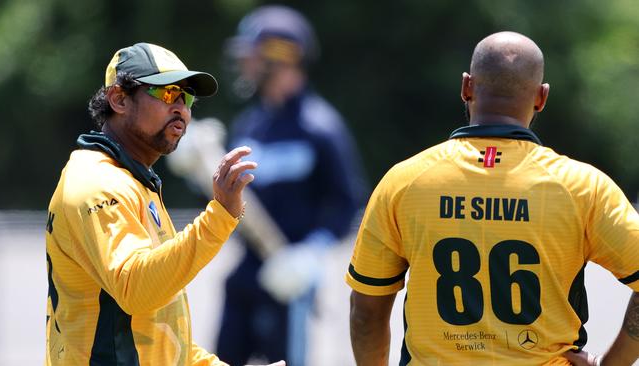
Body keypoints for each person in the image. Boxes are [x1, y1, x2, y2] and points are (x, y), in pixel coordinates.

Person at [346, 31, 639, 365]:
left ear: (466, 87)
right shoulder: (582, 186)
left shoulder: (405, 180)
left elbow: (366, 313)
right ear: (541, 97)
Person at [45, 42, 284, 366]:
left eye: (187, 98)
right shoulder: (96, 183)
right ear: (119, 99)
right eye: (169, 93)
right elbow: (136, 288)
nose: (182, 109)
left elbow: (164, 341)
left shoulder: (135, 182)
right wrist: (220, 216)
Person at [215, 5, 366, 366]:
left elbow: (347, 202)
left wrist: (311, 254)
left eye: (252, 55)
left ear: (281, 58)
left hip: (290, 275)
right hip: (247, 273)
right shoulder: (250, 124)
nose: (245, 64)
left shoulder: (321, 127)